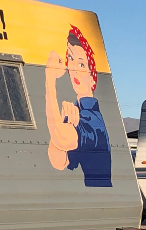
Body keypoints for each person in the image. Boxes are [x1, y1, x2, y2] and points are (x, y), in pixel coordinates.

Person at [45, 25, 112, 187]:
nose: (74, 68)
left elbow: (61, 138)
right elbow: (58, 161)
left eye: (82, 65)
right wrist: (62, 125)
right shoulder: (78, 111)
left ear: (93, 77)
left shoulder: (93, 119)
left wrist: (50, 78)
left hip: (98, 195)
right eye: (71, 58)